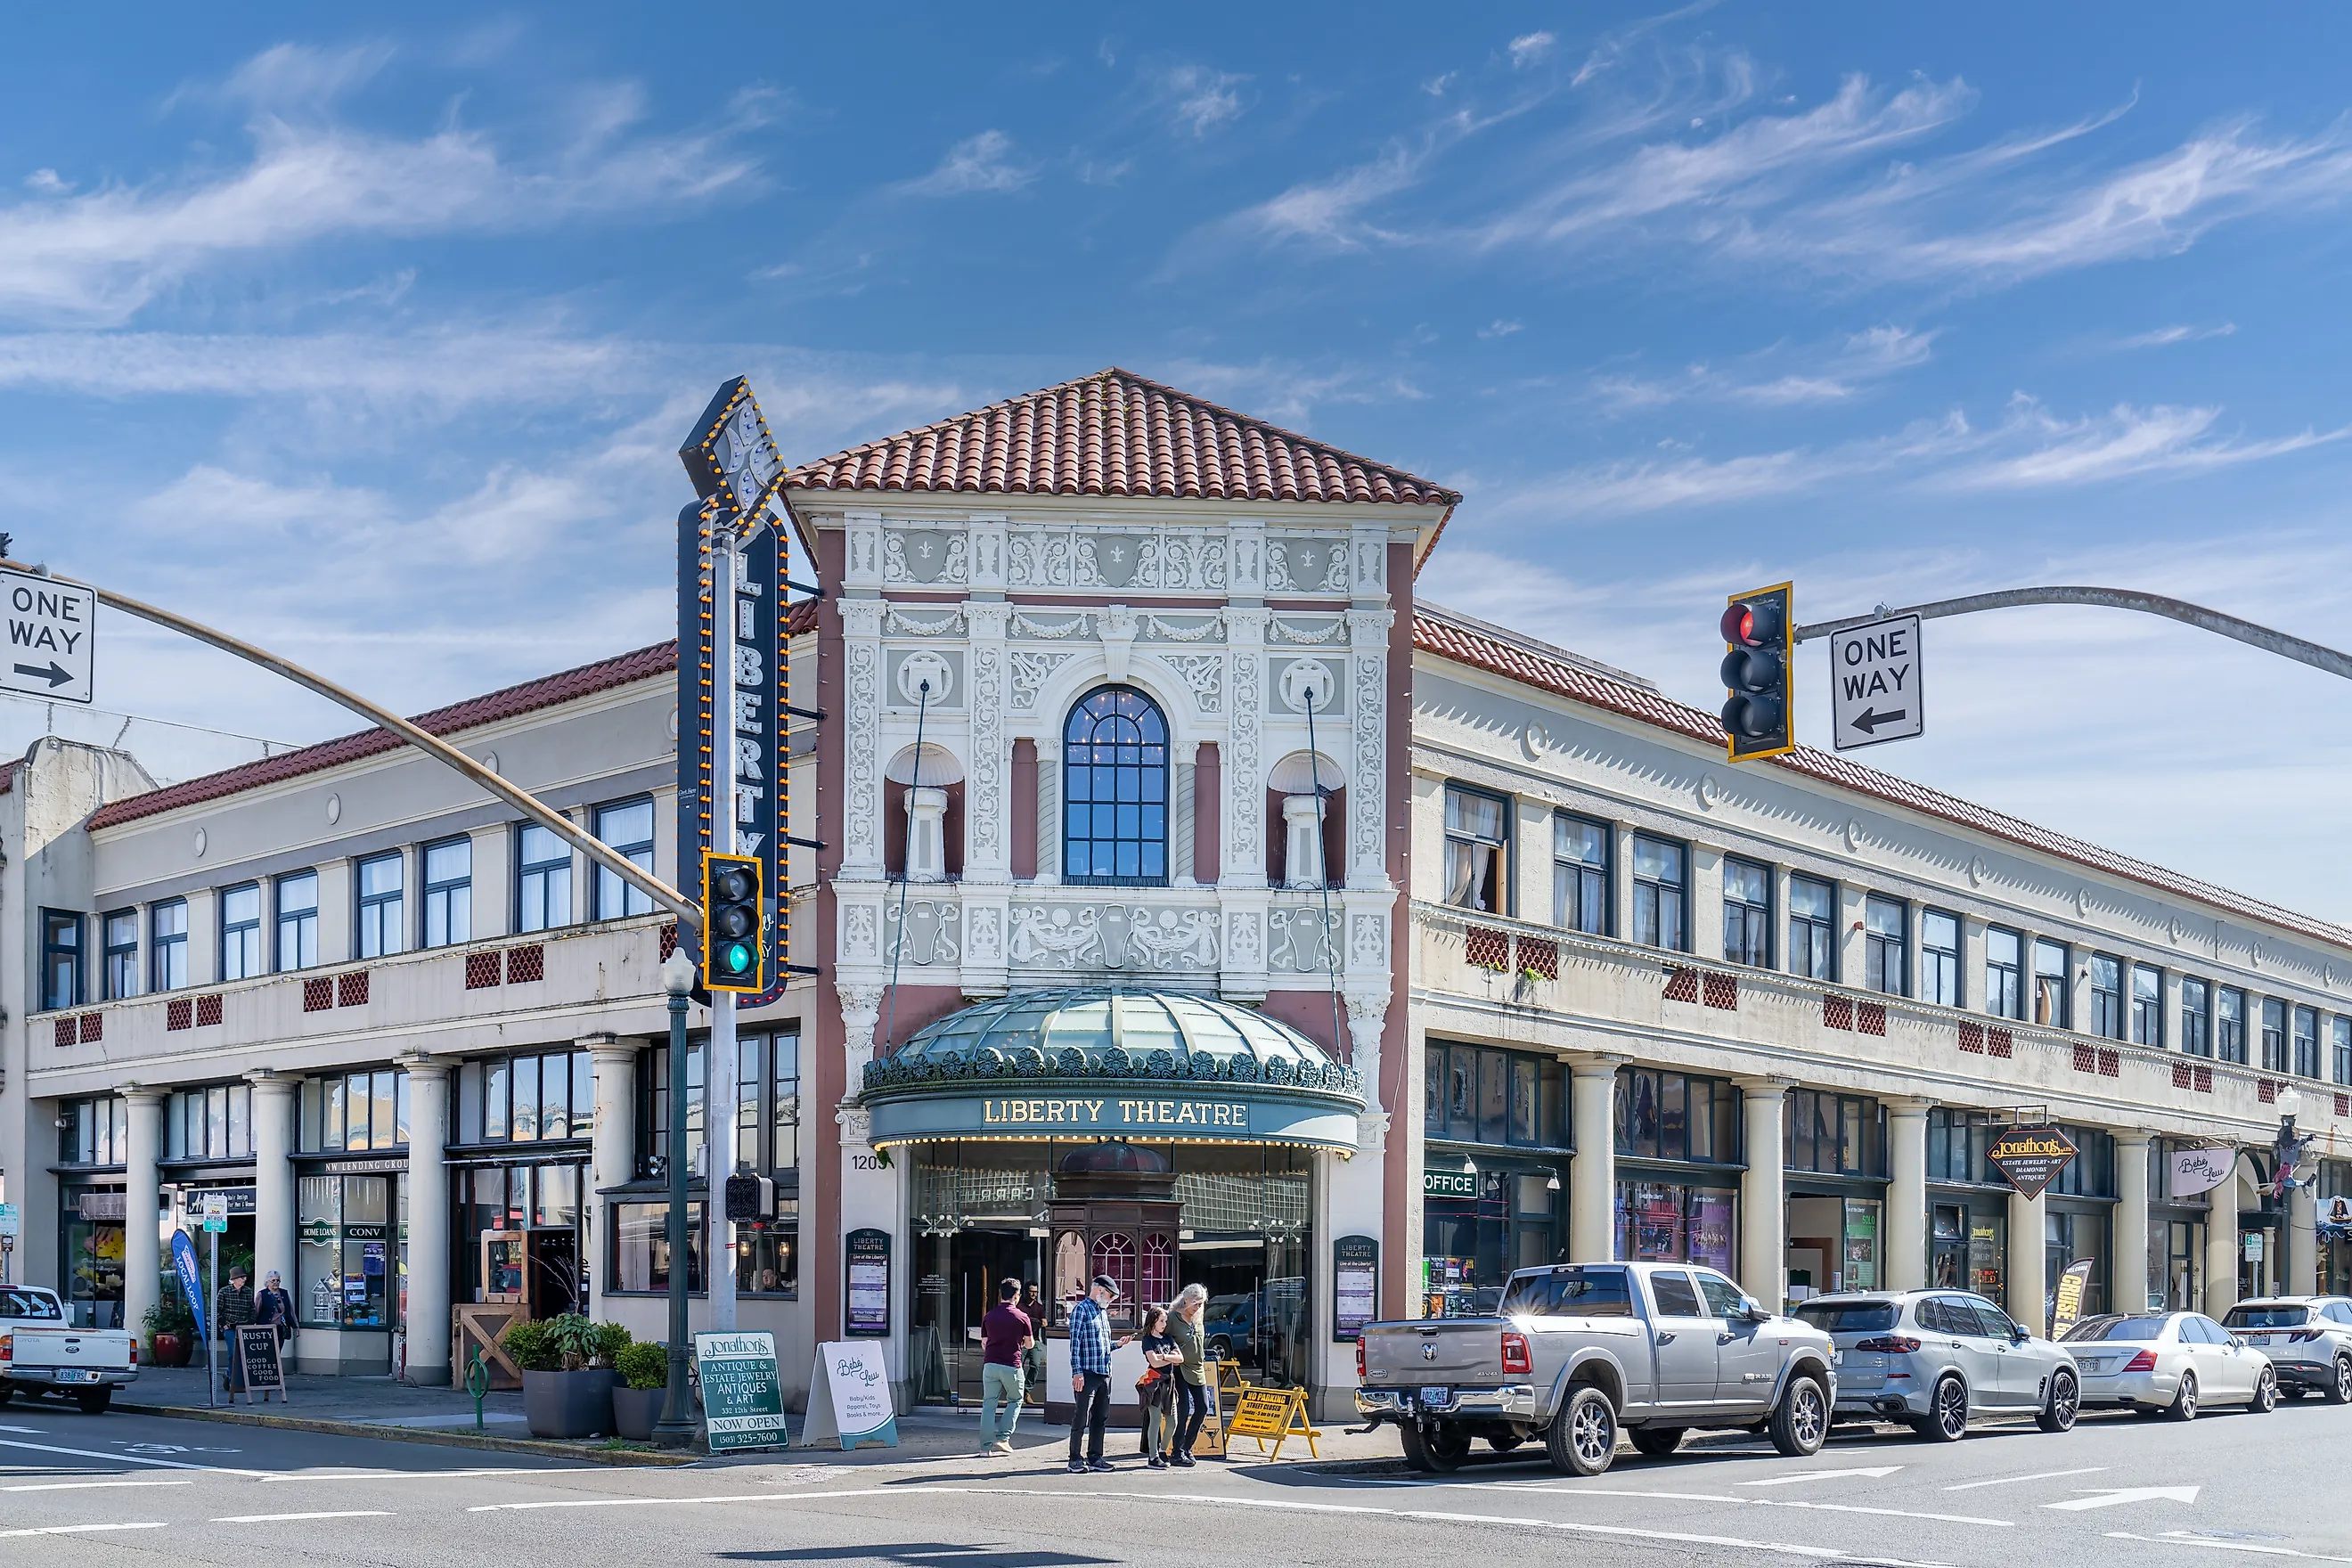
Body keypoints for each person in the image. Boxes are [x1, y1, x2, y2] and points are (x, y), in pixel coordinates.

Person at [1066, 1274, 1132, 1474]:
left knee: (1100, 1417)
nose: (1112, 1300)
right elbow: (1074, 1344)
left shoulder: (1102, 1312)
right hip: (1087, 1373)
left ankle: (1095, 1456)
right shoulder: (1081, 1310)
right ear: (1100, 1290)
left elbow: (1101, 1346)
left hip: (1104, 1372)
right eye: (1110, 1295)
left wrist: (1118, 1344)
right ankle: (1075, 1459)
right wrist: (1077, 1372)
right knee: (1081, 1417)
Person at [976, 1278, 1033, 1457]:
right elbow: (1030, 1344)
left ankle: (985, 1448)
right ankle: (1003, 1438)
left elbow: (984, 1343)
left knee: (988, 1405)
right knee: (1015, 1400)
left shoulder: (989, 1316)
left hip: (990, 1364)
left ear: (1001, 1294)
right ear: (1016, 1295)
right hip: (1012, 1365)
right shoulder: (1022, 1317)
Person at [1168, 1283, 1211, 1466]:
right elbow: (1161, 1338)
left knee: (1203, 1406)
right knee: (1183, 1408)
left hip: (1198, 1367)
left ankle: (1187, 1447)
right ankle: (1177, 1451)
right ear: (1186, 1300)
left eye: (1201, 1304)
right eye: (1195, 1303)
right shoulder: (1172, 1318)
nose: (1198, 1307)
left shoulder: (1198, 1317)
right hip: (1179, 1368)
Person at [1136, 1305, 1180, 1467]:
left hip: (1169, 1382)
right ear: (1153, 1321)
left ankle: (1162, 1451)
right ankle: (1153, 1457)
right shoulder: (1147, 1339)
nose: (1164, 1324)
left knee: (1172, 1421)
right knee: (1155, 1420)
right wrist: (1171, 1358)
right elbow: (1154, 1362)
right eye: (1162, 1320)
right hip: (1154, 1383)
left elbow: (1181, 1358)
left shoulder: (1168, 1338)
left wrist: (1164, 1356)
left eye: (1165, 1321)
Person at [214, 1264, 255, 1392]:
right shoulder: (224, 1292)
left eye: (245, 1277)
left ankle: (230, 1376)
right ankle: (234, 1382)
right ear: (235, 1279)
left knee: (243, 1354)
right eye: (242, 1277)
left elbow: (252, 1309)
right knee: (233, 1353)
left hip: (244, 1327)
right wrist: (224, 1325)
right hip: (230, 1328)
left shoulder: (248, 1292)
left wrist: (251, 1321)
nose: (244, 1279)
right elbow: (217, 1310)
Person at [1019, 1284, 1049, 1404]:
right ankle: (1017, 1392)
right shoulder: (1019, 1306)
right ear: (1026, 1292)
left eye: (1036, 1292)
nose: (1034, 1294)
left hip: (1034, 1339)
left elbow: (1044, 1322)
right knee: (1017, 1366)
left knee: (1035, 1366)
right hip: (1021, 1340)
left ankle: (1027, 1392)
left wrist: (1041, 1322)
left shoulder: (1040, 1307)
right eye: (1031, 1292)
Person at [252, 1270, 295, 1350]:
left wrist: (295, 1326)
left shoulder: (284, 1293)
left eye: (278, 1280)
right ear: (267, 1282)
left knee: (278, 1351)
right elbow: (256, 1311)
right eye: (273, 1280)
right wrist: (252, 1325)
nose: (276, 1282)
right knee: (269, 1351)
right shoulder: (262, 1294)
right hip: (266, 1328)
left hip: (281, 1328)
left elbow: (290, 1311)